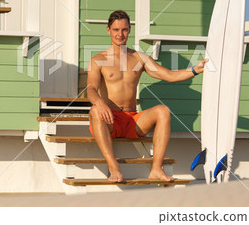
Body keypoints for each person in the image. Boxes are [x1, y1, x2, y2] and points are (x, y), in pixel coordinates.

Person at [87, 10, 208, 182]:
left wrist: (195, 69)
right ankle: (114, 168)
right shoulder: (98, 59)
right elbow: (91, 88)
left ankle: (156, 169)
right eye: (116, 30)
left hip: (132, 121)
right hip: (109, 121)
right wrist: (99, 102)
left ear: (129, 30)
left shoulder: (139, 58)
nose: (120, 34)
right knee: (94, 111)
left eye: (124, 30)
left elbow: (170, 75)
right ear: (108, 30)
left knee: (163, 111)